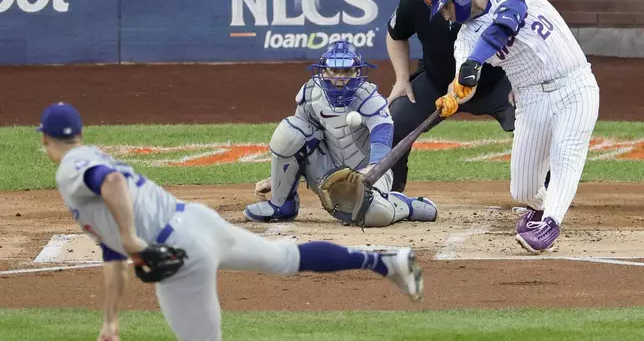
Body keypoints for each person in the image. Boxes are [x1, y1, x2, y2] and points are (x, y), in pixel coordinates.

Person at [37, 102, 424, 341]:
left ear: (44, 140)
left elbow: (112, 182)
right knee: (285, 258)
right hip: (196, 222)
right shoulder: (90, 160)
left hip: (183, 251)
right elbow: (112, 255)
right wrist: (110, 322)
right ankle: (386, 262)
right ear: (81, 132)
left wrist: (131, 240)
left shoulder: (73, 165)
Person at [423, 0, 600, 253]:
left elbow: (508, 19)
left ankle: (550, 226)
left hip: (575, 84)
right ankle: (544, 209)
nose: (446, 16)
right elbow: (465, 81)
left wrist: (476, 61)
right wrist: (453, 95)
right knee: (523, 190)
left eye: (446, 8)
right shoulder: (465, 40)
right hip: (531, 99)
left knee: (566, 153)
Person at [244, 39, 438, 227]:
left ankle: (403, 205)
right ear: (324, 70)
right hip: (327, 174)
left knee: (375, 215)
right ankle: (282, 204)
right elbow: (299, 140)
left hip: (368, 174)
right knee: (289, 131)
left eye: (347, 71)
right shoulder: (311, 93)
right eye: (334, 70)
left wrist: (372, 168)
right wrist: (280, 179)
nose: (340, 78)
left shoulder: (369, 98)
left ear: (357, 71)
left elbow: (383, 134)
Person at [386, 0, 516, 192]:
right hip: (437, 83)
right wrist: (402, 79)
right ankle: (390, 192)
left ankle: (545, 193)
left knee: (534, 120)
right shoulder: (416, 1)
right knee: (394, 122)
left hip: (495, 84)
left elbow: (518, 42)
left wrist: (520, 84)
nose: (444, 7)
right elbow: (395, 34)